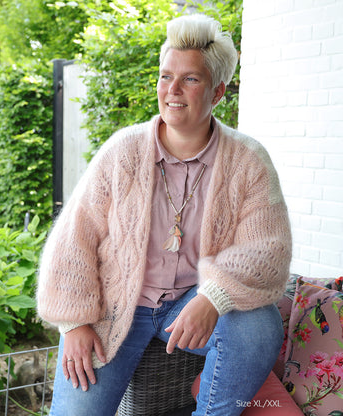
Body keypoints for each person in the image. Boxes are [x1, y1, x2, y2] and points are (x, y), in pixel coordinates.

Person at [37, 13, 292, 416]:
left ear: (218, 91)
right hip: (115, 305)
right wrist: (74, 323)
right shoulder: (122, 152)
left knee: (259, 325)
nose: (173, 90)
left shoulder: (249, 161)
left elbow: (268, 248)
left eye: (190, 79)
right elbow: (73, 238)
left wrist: (213, 297)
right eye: (165, 76)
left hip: (190, 301)